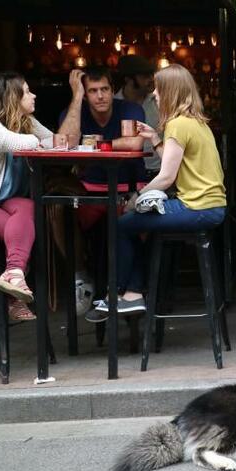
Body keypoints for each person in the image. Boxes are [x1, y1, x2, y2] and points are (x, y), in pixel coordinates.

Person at [86, 64, 226, 321]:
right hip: (210, 207)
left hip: (196, 207)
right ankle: (131, 293)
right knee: (141, 230)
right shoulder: (195, 122)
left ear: (171, 92)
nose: (155, 95)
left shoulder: (176, 124)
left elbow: (166, 177)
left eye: (159, 90)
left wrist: (135, 199)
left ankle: (121, 294)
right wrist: (155, 139)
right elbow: (177, 166)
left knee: (121, 224)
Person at [58, 65, 147, 312]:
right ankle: (81, 275)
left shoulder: (130, 109)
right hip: (89, 191)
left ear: (113, 89)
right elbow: (65, 144)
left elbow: (135, 142)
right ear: (85, 94)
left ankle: (128, 292)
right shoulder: (73, 112)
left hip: (128, 188)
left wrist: (98, 144)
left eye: (105, 89)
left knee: (133, 222)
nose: (100, 96)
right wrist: (76, 98)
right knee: (60, 213)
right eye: (93, 91)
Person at [0, 72, 54, 323]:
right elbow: (26, 143)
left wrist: (37, 137)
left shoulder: (22, 120)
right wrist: (36, 138)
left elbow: (51, 140)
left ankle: (13, 274)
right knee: (21, 231)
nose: (33, 95)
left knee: (28, 207)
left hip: (5, 200)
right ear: (11, 98)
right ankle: (15, 292)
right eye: (27, 91)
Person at [114, 55, 161, 173]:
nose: (151, 79)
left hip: (159, 172)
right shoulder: (113, 105)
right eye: (145, 76)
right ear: (128, 79)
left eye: (152, 75)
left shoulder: (159, 102)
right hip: (124, 174)